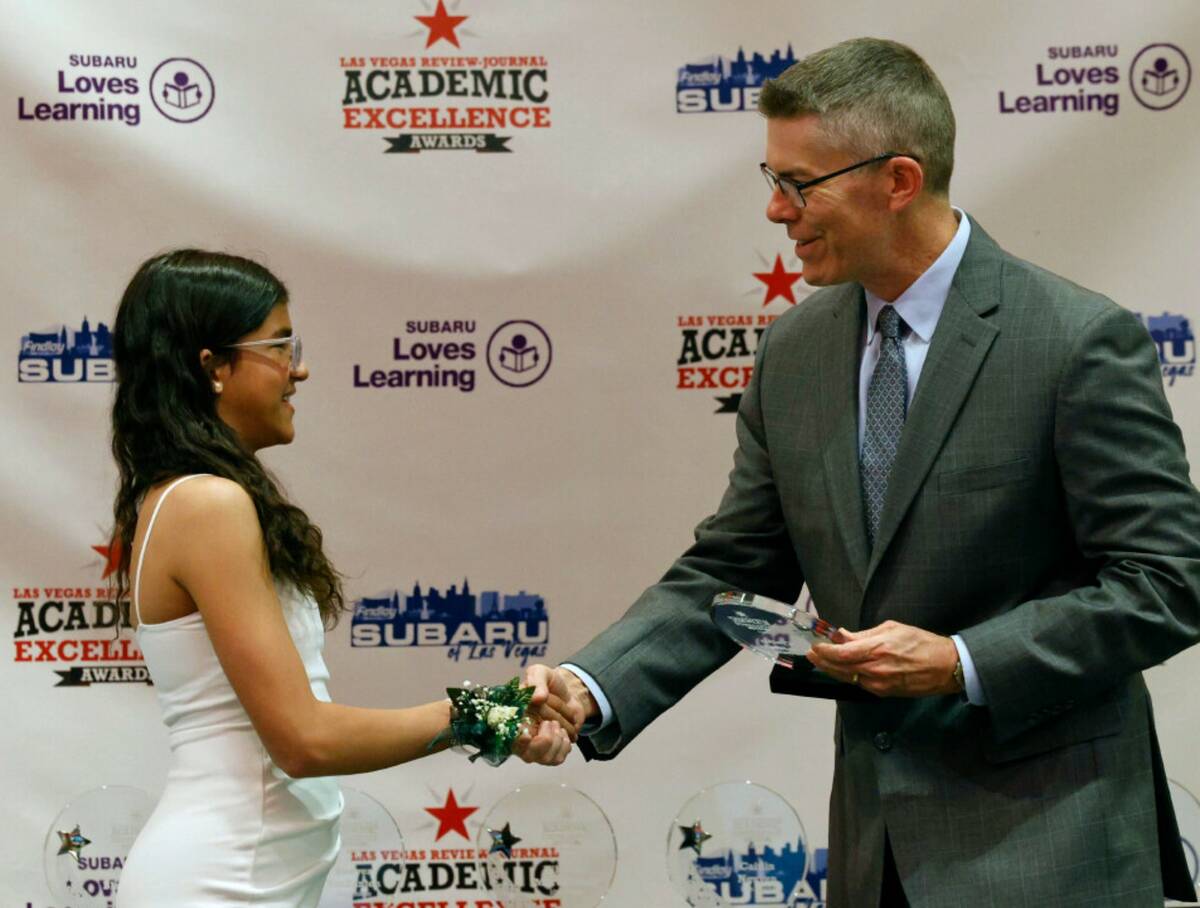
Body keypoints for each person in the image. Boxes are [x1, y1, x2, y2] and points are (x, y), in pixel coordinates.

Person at [524, 38, 1200, 907]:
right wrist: (586, 687)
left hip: (1054, 849)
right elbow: (732, 569)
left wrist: (961, 660)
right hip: (874, 856)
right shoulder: (795, 350)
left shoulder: (1072, 340)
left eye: (799, 184)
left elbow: (1168, 581)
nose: (776, 211)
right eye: (770, 181)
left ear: (899, 180)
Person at [110, 250, 573, 907]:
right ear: (211, 365)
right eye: (279, 345)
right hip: (221, 883)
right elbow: (303, 740)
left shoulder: (198, 497)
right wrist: (486, 714)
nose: (300, 368)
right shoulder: (205, 504)